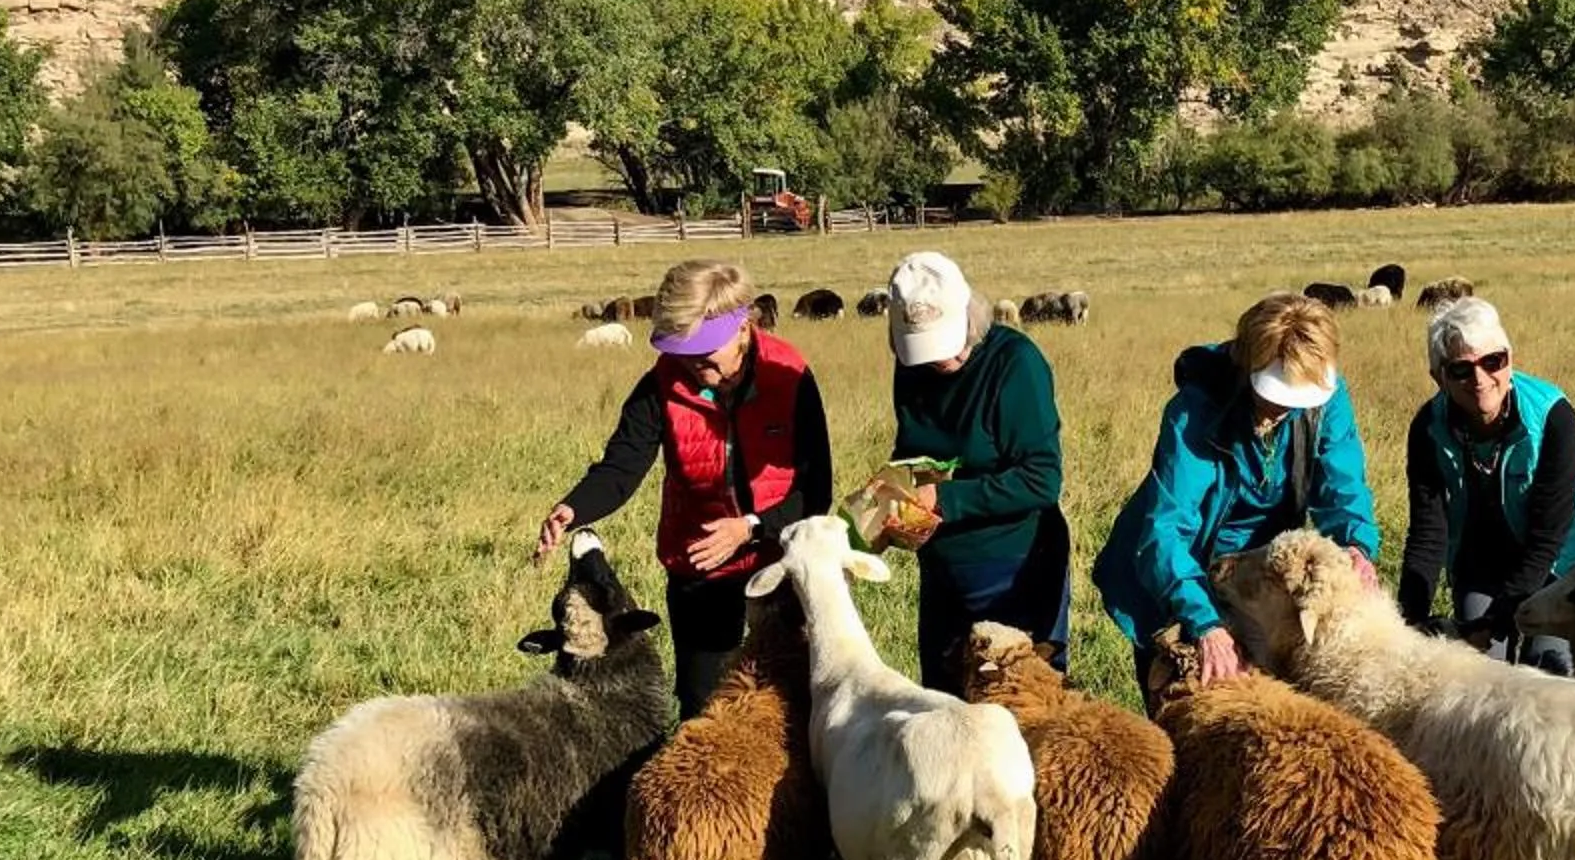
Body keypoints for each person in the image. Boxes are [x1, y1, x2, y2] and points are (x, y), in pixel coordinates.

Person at [534, 259, 832, 719]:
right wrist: (573, 509)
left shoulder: (790, 377)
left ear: (743, 327)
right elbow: (621, 467)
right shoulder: (660, 385)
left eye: (706, 355)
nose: (696, 368)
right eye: (685, 355)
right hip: (700, 568)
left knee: (787, 707)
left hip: (782, 564)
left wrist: (752, 528)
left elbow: (816, 491)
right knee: (703, 706)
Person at [1092, 291, 1382, 678]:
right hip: (1177, 570)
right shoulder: (1195, 413)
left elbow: (1343, 485)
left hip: (1258, 576)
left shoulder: (1325, 398)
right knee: (1191, 695)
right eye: (1277, 394)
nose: (1288, 408)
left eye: (1300, 398)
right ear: (1247, 366)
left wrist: (1357, 545)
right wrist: (1206, 624)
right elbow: (1167, 529)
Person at [876, 250, 1071, 687]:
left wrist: (943, 500)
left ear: (971, 316)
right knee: (946, 707)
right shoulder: (911, 371)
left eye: (946, 344)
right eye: (923, 352)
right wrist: (892, 497)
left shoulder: (1016, 364)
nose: (941, 361)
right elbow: (912, 449)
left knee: (1015, 710)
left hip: (1013, 567)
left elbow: (1042, 478)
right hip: (943, 568)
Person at [1398, 295, 1575, 675]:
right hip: (1481, 558)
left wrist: (1498, 619)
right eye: (1461, 370)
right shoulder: (1428, 427)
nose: (1480, 380)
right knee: (1478, 673)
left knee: (1549, 670)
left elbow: (1548, 537)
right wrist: (1408, 622)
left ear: (1509, 360)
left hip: (1561, 560)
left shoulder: (1553, 416)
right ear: (1439, 377)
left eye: (1492, 362)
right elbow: (1428, 532)